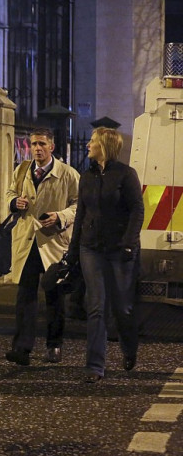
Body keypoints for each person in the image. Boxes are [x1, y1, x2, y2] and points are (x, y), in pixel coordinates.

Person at [66, 127, 144, 383]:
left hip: (121, 249)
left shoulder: (125, 174)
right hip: (91, 248)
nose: (88, 144)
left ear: (105, 146)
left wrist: (129, 243)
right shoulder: (86, 176)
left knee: (123, 308)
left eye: (92, 141)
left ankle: (129, 348)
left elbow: (136, 210)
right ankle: (95, 366)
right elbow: (81, 215)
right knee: (96, 306)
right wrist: (73, 250)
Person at [5, 128, 80, 366]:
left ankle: (54, 345)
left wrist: (60, 216)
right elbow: (9, 193)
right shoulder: (22, 170)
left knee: (54, 296)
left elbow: (78, 205)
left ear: (52, 147)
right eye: (34, 144)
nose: (37, 148)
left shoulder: (68, 174)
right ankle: (22, 347)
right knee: (25, 295)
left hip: (53, 242)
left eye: (42, 144)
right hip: (27, 241)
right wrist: (14, 202)